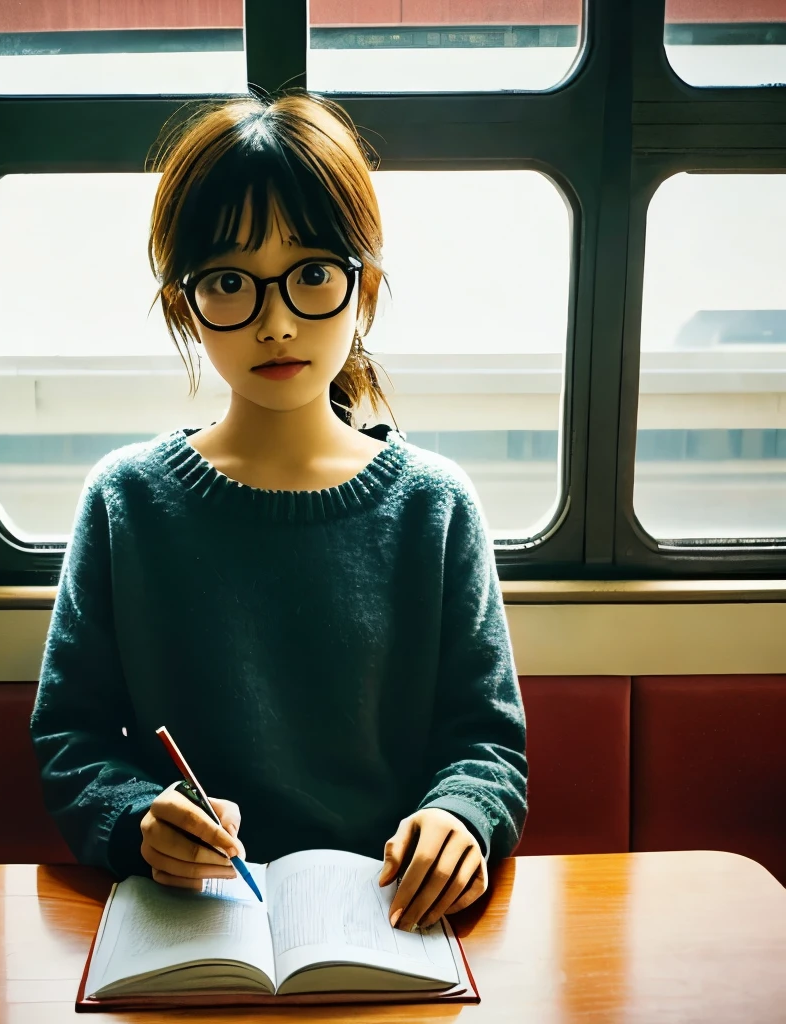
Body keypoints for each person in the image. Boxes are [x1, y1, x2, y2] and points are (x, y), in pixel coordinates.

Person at [30, 89, 527, 933]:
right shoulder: (126, 501)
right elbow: (70, 736)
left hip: (389, 922)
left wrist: (461, 817)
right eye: (230, 282)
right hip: (189, 923)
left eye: (311, 277)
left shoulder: (435, 506)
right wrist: (139, 821)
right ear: (186, 305)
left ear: (363, 290)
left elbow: (486, 743)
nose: (275, 323)